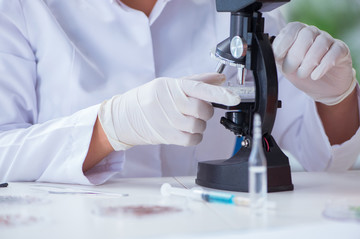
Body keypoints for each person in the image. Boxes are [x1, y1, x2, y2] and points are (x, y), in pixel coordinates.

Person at [0, 0, 359, 185]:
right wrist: (109, 129)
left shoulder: (237, 9)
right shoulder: (22, 9)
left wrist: (336, 96)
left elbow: (327, 160)